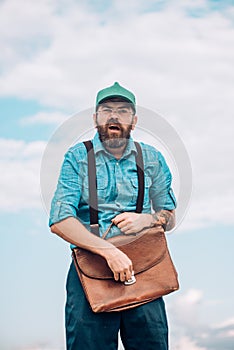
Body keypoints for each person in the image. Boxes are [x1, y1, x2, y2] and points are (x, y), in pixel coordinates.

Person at [49, 82, 177, 350]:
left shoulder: (151, 158)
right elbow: (60, 220)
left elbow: (169, 216)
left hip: (146, 270)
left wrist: (149, 219)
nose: (114, 116)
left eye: (123, 110)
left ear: (135, 119)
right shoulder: (77, 157)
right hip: (90, 273)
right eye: (106, 110)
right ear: (95, 118)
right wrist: (109, 251)